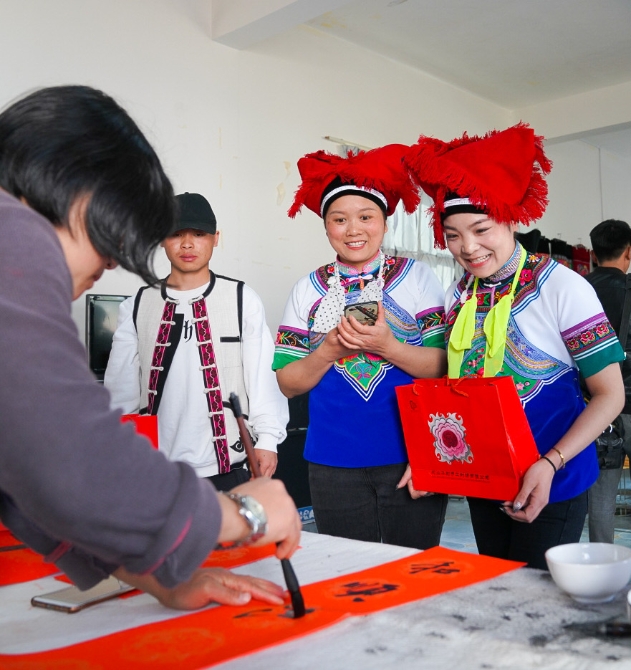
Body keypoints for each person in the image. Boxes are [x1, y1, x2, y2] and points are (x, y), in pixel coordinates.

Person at [0, 85, 300, 610]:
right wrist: (242, 515)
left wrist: (163, 580)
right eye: (117, 228)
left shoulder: (239, 298)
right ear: (78, 192)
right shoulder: (14, 239)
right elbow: (69, 455)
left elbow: (26, 480)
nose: (114, 260)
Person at [404, 124, 626, 569]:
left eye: (481, 229)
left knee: (538, 597)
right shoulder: (458, 294)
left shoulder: (562, 287)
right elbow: (456, 390)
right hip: (484, 476)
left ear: (509, 218)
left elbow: (611, 395)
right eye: (452, 234)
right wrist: (432, 459)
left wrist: (550, 463)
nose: (468, 247)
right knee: (496, 587)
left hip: (553, 478)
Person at [274, 144, 448, 549]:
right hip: (331, 461)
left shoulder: (417, 278)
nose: (353, 229)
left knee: (414, 570)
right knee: (348, 571)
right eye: (340, 219)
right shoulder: (308, 289)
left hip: (410, 455)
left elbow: (443, 367)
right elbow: (288, 383)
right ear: (326, 227)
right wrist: (328, 351)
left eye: (366, 217)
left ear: (385, 223)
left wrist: (389, 346)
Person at [104, 192, 288, 490]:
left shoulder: (241, 298)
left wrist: (268, 439)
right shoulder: (138, 304)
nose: (187, 244)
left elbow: (262, 377)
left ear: (216, 238)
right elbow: (120, 390)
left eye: (199, 234)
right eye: (176, 234)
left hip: (231, 461)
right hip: (157, 466)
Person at [584, 219, 631, 543]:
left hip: (595, 408)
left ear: (592, 254)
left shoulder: (576, 289)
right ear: (628, 252)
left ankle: (602, 564)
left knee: (601, 499)